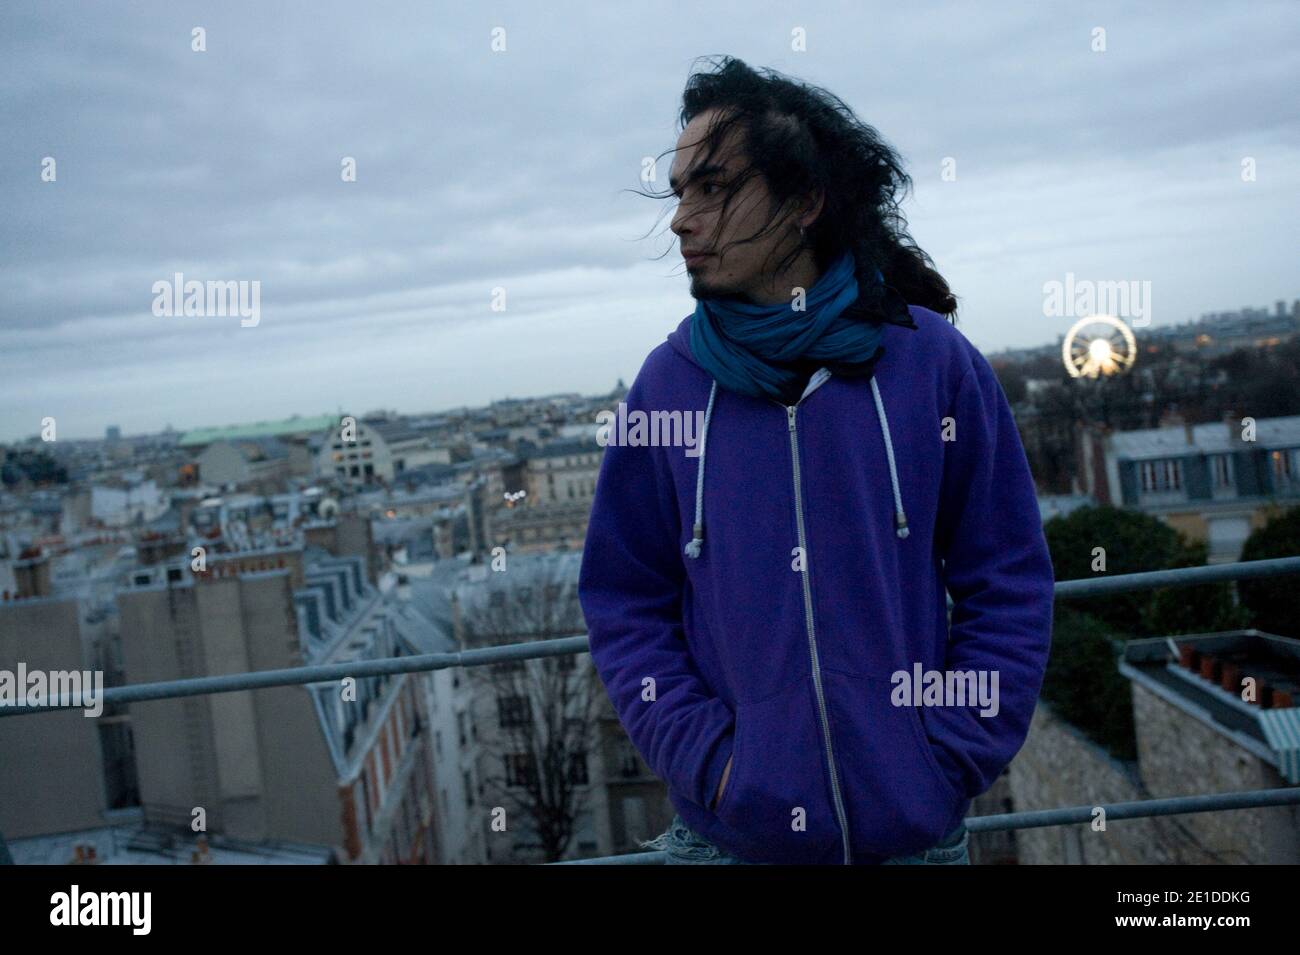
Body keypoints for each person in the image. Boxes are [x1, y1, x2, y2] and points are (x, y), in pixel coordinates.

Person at [577, 56, 1054, 865]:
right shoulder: (668, 387)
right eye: (681, 192)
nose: (682, 220)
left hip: (914, 838)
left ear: (804, 201)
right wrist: (712, 762)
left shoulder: (932, 364)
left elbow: (1005, 576)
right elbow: (626, 599)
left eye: (715, 187)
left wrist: (948, 756)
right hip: (733, 839)